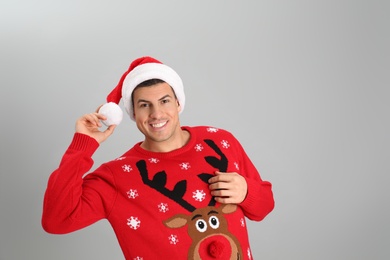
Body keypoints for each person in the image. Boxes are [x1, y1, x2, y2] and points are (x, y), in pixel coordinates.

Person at [42, 56, 275, 260]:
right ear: (133, 112)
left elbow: (264, 206)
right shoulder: (116, 177)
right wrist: (82, 146)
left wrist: (247, 192)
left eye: (164, 101)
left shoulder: (220, 143)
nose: (156, 114)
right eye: (145, 105)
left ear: (178, 102)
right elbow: (57, 220)